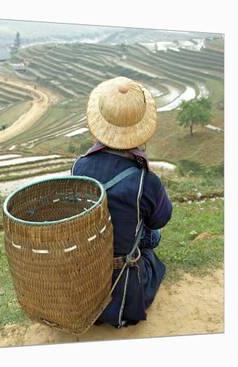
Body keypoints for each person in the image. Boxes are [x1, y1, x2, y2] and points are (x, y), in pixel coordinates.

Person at [72, 76, 172, 328]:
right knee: (153, 235)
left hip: (86, 273)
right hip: (123, 282)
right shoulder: (145, 181)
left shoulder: (79, 166)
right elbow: (161, 219)